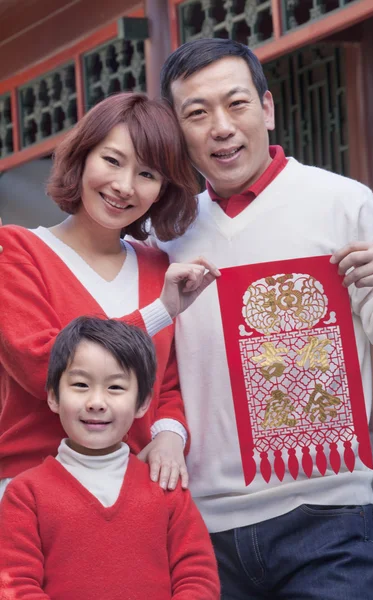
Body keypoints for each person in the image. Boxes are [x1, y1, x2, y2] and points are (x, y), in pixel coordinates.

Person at [137, 38, 373, 599]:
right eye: (197, 114)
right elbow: (149, 363)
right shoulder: (167, 232)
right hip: (202, 527)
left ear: (267, 108)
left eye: (236, 104)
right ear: (178, 131)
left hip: (327, 517)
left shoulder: (341, 201)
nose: (221, 127)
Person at [0, 92, 220, 500]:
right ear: (83, 157)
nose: (123, 186)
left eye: (148, 174)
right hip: (31, 493)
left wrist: (170, 435)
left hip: (128, 497)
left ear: (162, 190)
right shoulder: (16, 251)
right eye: (112, 160)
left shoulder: (158, 268)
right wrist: (159, 313)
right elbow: (41, 366)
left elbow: (167, 384)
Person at [0, 316, 220, 599]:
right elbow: (15, 583)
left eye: (115, 387)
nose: (96, 402)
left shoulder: (164, 486)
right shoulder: (25, 493)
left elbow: (197, 576)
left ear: (142, 403)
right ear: (54, 396)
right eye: (80, 385)